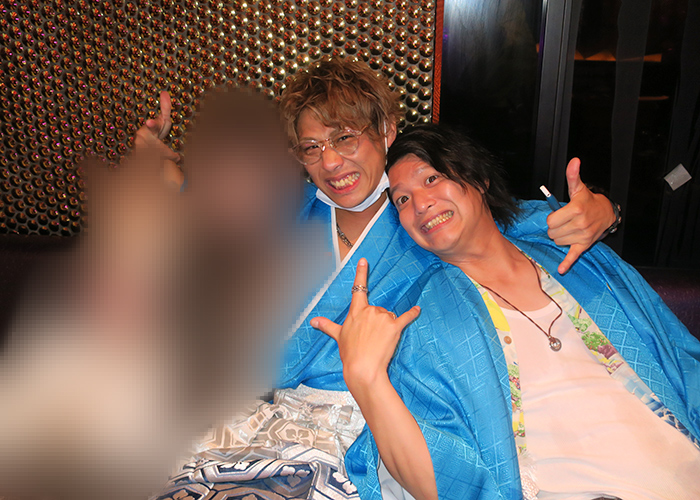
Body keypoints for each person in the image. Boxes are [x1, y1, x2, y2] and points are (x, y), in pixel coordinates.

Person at [142, 57, 618, 499]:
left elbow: (535, 218)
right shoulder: (286, 211)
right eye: (312, 148)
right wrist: (155, 163)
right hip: (268, 414)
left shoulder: (427, 210)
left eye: (345, 138)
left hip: (382, 422)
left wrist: (605, 210)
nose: (330, 163)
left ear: (387, 130)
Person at [334, 122, 700, 499]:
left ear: (480, 180)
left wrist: (609, 209)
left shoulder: (582, 261)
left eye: (431, 179)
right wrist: (365, 377)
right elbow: (447, 479)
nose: (420, 204)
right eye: (402, 200)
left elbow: (679, 359)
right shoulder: (424, 317)